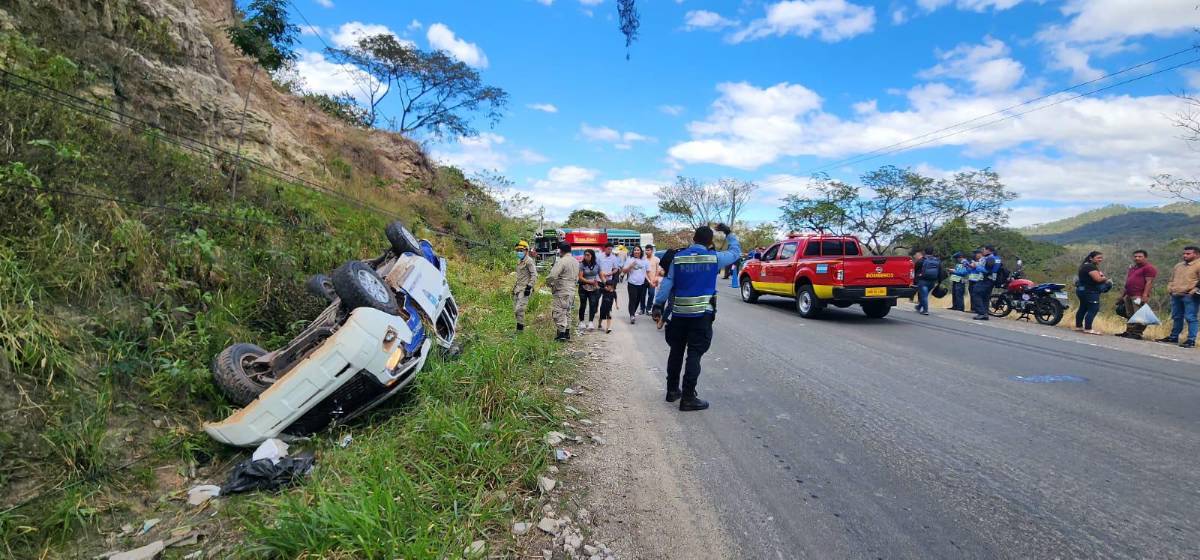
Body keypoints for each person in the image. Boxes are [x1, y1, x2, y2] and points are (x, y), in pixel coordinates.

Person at [652, 224, 741, 412]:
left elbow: (668, 282)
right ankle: (688, 397)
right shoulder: (714, 257)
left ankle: (672, 391)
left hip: (678, 314)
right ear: (710, 242)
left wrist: (658, 304)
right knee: (694, 354)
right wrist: (728, 233)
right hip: (701, 315)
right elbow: (735, 252)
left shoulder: (678, 258)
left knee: (676, 351)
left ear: (693, 239)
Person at [1158, 245, 1200, 348]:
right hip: (1176, 295)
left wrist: (1195, 290)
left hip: (1190, 296)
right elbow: (1172, 278)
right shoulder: (1178, 266)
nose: (1185, 255)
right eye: (1184, 253)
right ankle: (1173, 337)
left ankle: (1191, 340)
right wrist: (1170, 288)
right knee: (1176, 317)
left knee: (1190, 317)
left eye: (1188, 253)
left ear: (1197, 254)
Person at [1117, 250, 1158, 340]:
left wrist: (1145, 295)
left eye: (1140, 256)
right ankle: (1129, 331)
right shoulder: (1133, 268)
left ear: (1145, 257)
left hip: (1138, 295)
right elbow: (1128, 282)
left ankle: (1137, 333)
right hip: (1129, 294)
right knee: (1130, 314)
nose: (1137, 258)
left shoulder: (1149, 268)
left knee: (1139, 314)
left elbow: (1149, 282)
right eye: (1135, 256)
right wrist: (1122, 295)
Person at [546, 242, 580, 341]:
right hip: (572, 290)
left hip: (562, 290)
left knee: (559, 312)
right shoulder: (575, 261)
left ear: (561, 250)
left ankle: (561, 334)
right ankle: (567, 332)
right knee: (567, 312)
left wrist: (548, 283)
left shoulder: (562, 261)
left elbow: (552, 275)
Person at [1074, 251, 1108, 334]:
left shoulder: (1085, 266)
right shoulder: (1090, 267)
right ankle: (1088, 328)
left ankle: (1079, 327)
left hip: (1082, 290)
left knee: (1083, 308)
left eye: (1101, 258)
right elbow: (1098, 279)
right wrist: (1105, 278)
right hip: (1090, 291)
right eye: (1098, 258)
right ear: (1091, 258)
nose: (1100, 259)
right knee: (1093, 308)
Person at [970, 245, 1002, 321]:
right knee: (985, 297)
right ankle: (985, 313)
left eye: (984, 250)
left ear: (988, 250)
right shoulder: (996, 258)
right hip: (991, 280)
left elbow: (987, 270)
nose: (982, 251)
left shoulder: (989, 258)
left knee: (975, 294)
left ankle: (981, 313)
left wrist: (976, 267)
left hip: (985, 280)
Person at [513, 240, 538, 332]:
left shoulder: (529, 261)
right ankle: (519, 330)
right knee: (516, 310)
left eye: (521, 250)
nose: (519, 252)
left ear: (526, 251)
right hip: (518, 288)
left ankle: (521, 328)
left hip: (525, 289)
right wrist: (514, 287)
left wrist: (529, 287)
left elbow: (534, 275)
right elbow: (520, 276)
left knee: (519, 309)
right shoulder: (519, 261)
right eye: (518, 250)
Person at [623, 245, 650, 323]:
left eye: (638, 250)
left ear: (641, 251)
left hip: (641, 284)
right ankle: (632, 315)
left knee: (638, 300)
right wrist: (631, 266)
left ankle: (633, 313)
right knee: (632, 299)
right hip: (632, 283)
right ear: (633, 251)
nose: (636, 251)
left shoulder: (645, 261)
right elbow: (624, 271)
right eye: (635, 250)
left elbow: (647, 272)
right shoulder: (629, 259)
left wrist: (651, 281)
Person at [577, 249, 602, 331]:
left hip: (594, 287)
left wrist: (607, 283)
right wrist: (590, 281)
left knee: (593, 304)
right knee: (583, 304)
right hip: (583, 286)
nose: (586, 256)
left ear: (592, 256)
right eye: (585, 255)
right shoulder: (581, 264)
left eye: (588, 255)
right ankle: (581, 321)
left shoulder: (597, 265)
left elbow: (601, 275)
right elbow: (580, 277)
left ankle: (591, 322)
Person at [914, 247, 942, 316]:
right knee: (925, 295)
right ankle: (919, 306)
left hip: (923, 280)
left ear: (924, 252)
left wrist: (915, 280)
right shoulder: (937, 260)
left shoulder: (921, 260)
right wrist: (939, 281)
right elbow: (940, 272)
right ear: (933, 252)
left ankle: (925, 310)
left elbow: (915, 270)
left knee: (924, 296)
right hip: (932, 281)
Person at [644, 244, 659, 313]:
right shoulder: (643, 259)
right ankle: (642, 308)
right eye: (646, 250)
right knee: (642, 295)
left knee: (651, 294)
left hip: (652, 280)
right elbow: (642, 271)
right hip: (644, 279)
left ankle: (648, 308)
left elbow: (657, 270)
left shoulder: (656, 259)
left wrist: (655, 279)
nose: (647, 251)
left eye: (648, 250)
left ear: (652, 251)